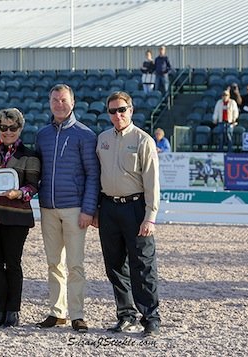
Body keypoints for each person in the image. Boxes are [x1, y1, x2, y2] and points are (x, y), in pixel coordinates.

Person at [94, 91, 161, 338]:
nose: (117, 114)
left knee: (142, 265)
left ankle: (151, 317)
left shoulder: (144, 140)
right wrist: (96, 209)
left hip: (136, 207)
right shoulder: (102, 139)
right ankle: (125, 315)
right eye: (112, 111)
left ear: (130, 110)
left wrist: (150, 215)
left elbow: (152, 181)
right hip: (109, 207)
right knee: (114, 265)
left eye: (122, 109)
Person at [35, 84, 100, 333]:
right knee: (53, 263)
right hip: (48, 208)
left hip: (75, 209)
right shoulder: (42, 135)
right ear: (49, 102)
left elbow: (92, 175)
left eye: (63, 100)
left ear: (72, 102)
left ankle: (77, 314)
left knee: (75, 264)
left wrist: (88, 209)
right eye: (54, 100)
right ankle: (57, 312)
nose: (59, 104)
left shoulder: (85, 135)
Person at [0, 108, 41, 328]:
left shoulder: (29, 156)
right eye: (4, 128)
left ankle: (13, 311)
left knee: (13, 264)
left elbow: (33, 186)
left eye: (12, 128)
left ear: (20, 128)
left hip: (17, 217)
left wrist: (19, 193)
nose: (8, 132)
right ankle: (0, 311)